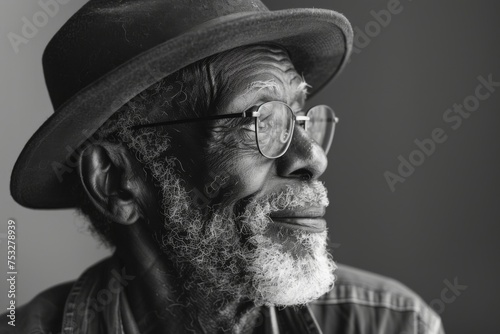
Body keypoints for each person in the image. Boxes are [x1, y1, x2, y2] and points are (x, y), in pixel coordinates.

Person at [3, 0, 444, 333]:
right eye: (261, 119)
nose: (313, 158)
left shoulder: (392, 324)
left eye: (301, 118)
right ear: (117, 182)